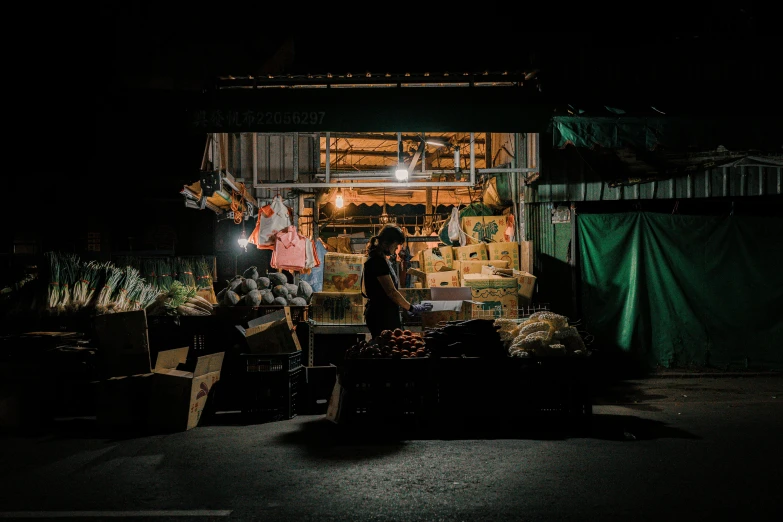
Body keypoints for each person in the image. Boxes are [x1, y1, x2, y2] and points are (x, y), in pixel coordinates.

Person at [361, 225, 432, 339]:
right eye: (395, 245)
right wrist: (411, 308)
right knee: (388, 349)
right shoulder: (377, 261)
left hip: (385, 313)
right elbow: (391, 292)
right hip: (381, 316)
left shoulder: (381, 259)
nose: (396, 249)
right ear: (386, 243)